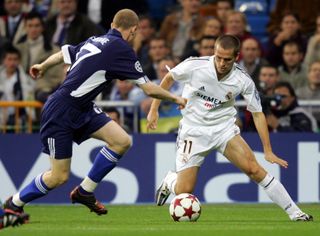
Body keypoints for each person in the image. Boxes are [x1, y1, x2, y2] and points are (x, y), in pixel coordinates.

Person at [3, 9, 187, 218]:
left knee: (121, 141)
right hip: (61, 111)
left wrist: (43, 65)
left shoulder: (95, 40)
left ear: (112, 24)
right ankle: (14, 203)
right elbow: (149, 88)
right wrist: (177, 98)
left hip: (83, 107)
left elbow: (65, 52)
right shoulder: (121, 48)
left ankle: (85, 191)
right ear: (134, 30)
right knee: (58, 176)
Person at [147, 35, 313, 221]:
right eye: (218, 57)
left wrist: (268, 150)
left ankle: (296, 213)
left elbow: (258, 114)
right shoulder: (195, 65)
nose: (221, 63)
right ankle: (171, 181)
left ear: (237, 57)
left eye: (227, 59)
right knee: (184, 191)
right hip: (193, 131)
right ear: (214, 53)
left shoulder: (242, 80)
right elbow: (168, 78)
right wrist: (154, 109)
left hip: (223, 129)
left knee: (254, 170)